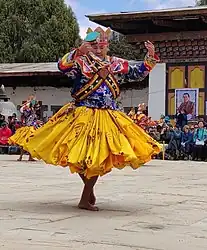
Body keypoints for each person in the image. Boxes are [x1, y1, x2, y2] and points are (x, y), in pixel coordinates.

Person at [24, 27, 161, 211]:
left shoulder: (115, 64)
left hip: (107, 115)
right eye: (93, 45)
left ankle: (86, 195)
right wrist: (78, 51)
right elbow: (62, 67)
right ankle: (87, 194)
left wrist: (150, 58)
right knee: (80, 157)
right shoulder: (81, 62)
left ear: (107, 46)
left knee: (98, 157)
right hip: (82, 114)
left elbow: (137, 73)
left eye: (101, 45)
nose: (97, 49)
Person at [8, 94, 41, 161]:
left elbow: (37, 107)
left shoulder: (33, 112)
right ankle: (21, 157)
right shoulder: (28, 110)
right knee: (24, 143)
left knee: (30, 143)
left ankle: (29, 157)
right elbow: (23, 110)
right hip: (28, 128)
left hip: (32, 127)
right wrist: (28, 103)